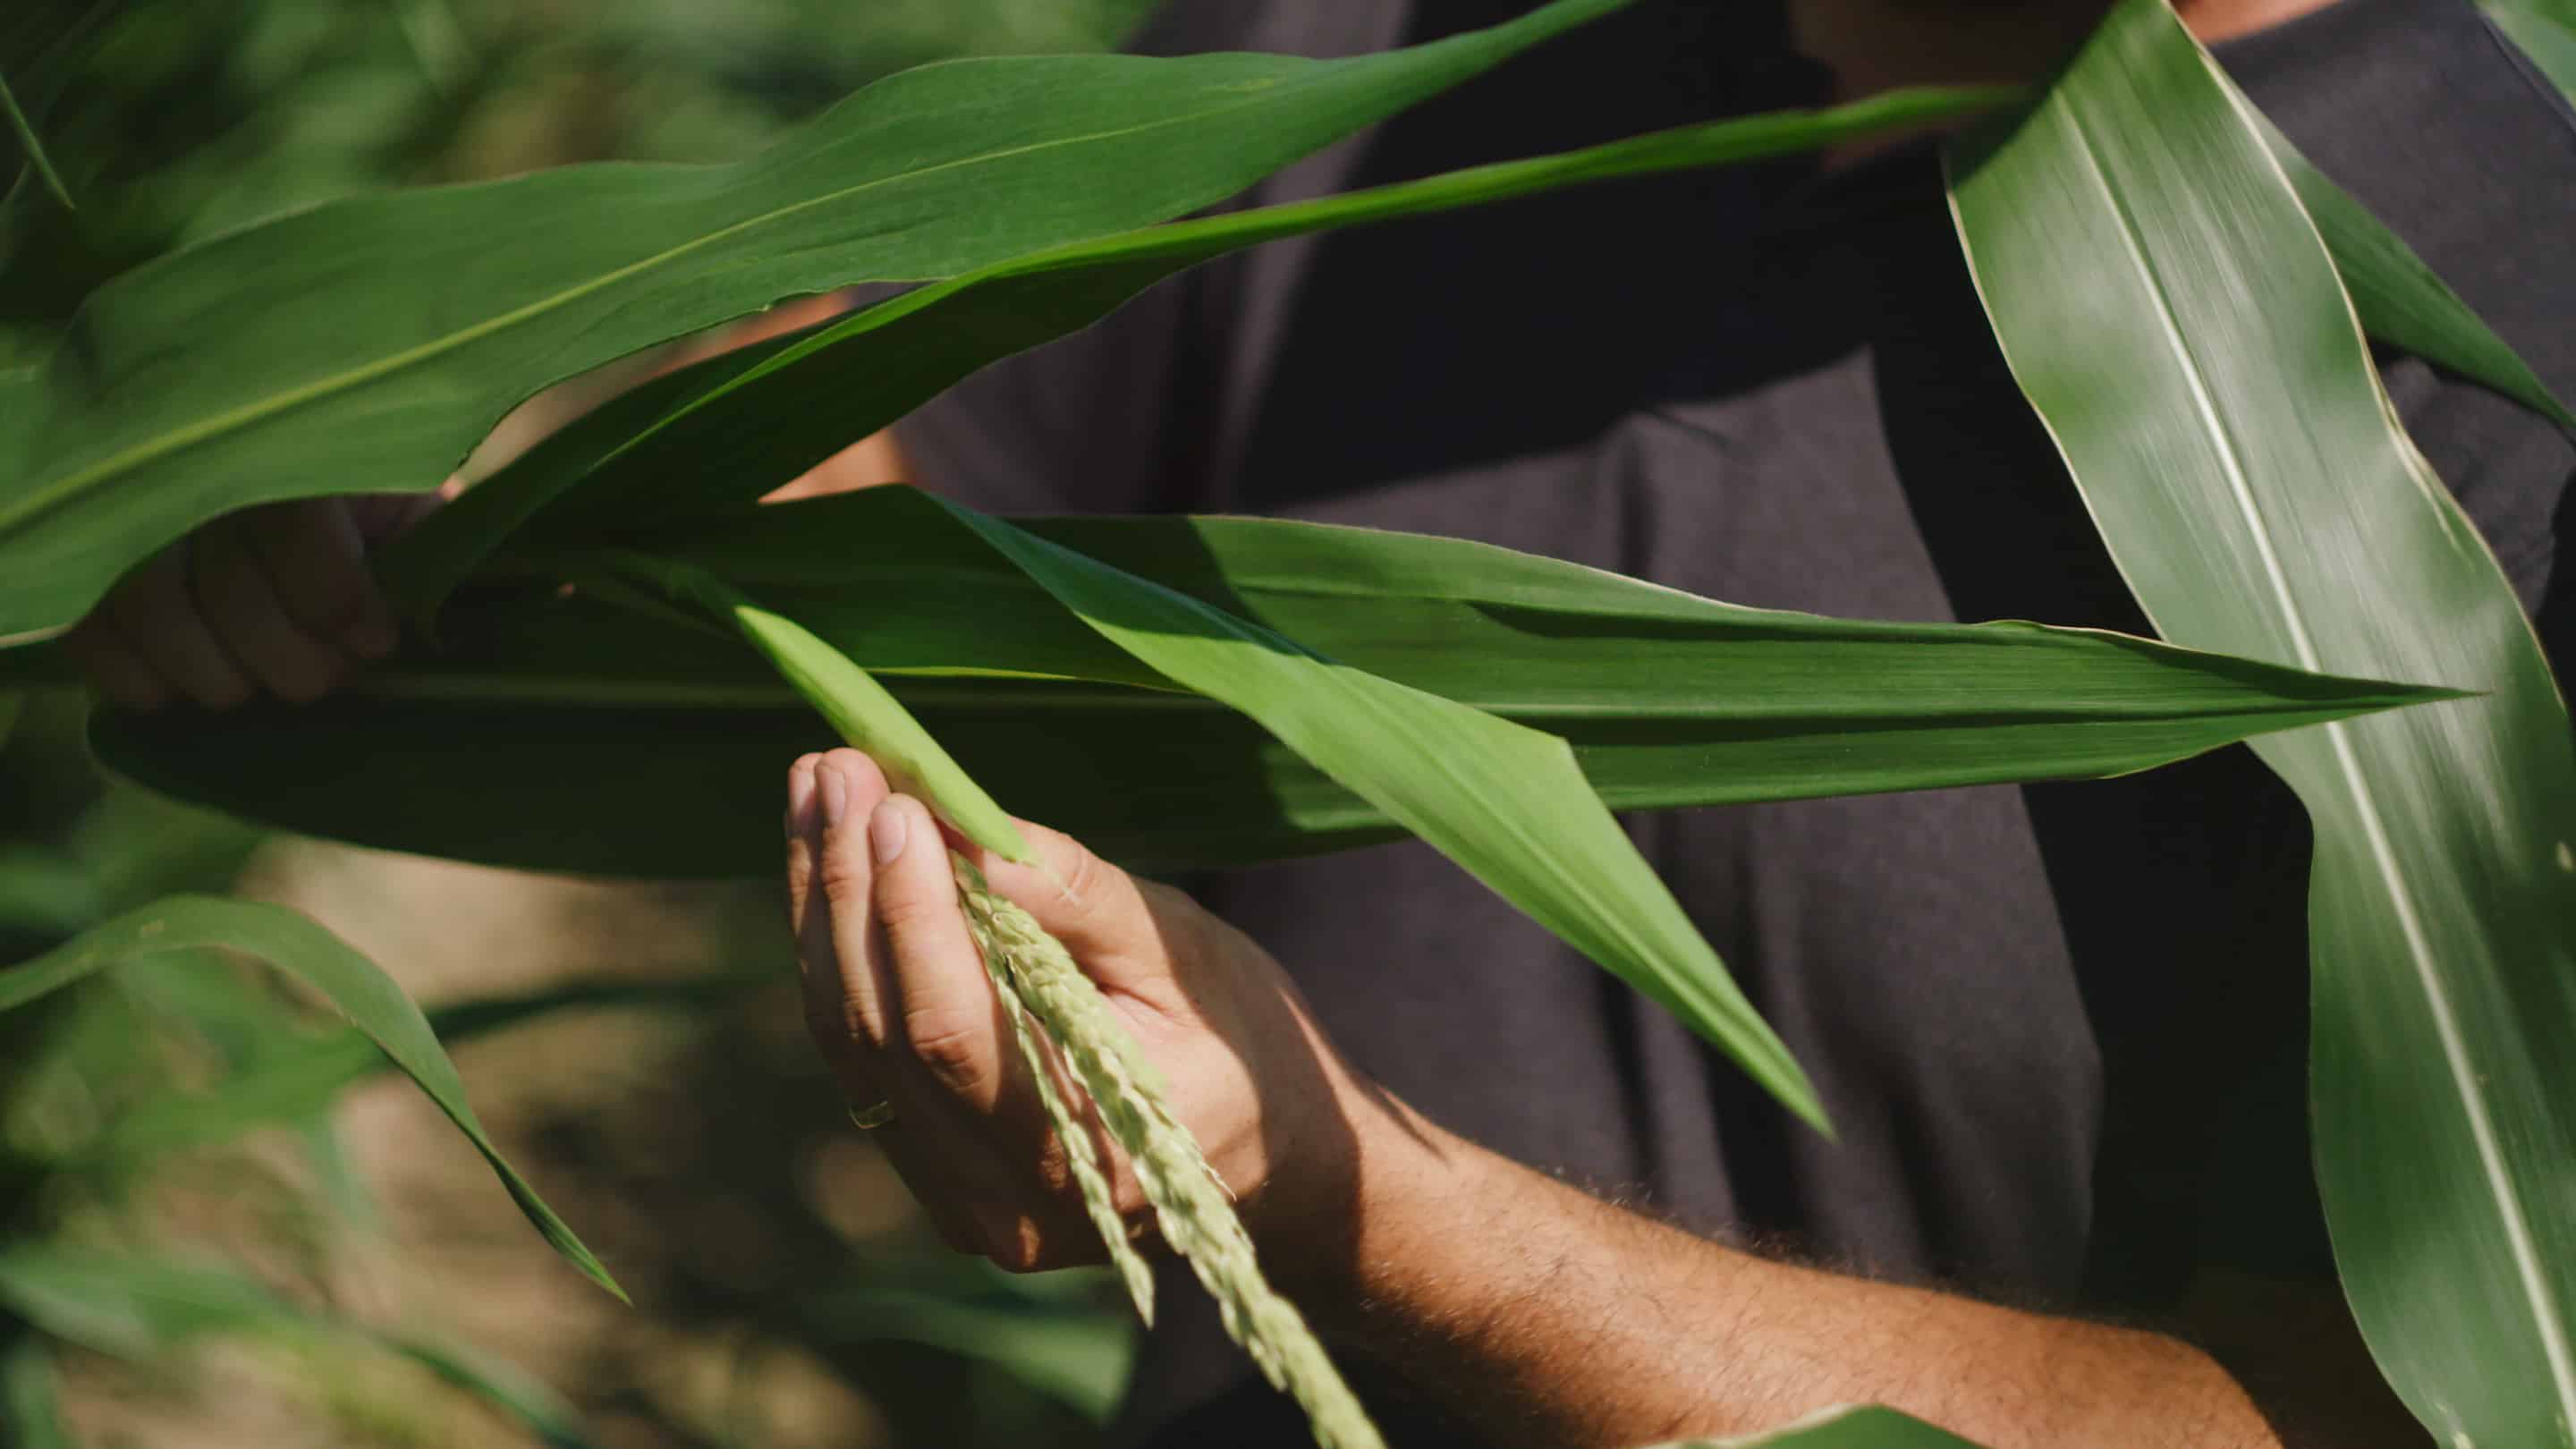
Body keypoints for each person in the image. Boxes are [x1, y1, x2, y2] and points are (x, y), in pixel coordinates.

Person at [66, 0, 2576, 1443]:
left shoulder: (2506, 368)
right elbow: (867, 451)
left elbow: (2378, 1421)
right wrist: (399, 490)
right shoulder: (1410, 50)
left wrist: (1380, 1212)